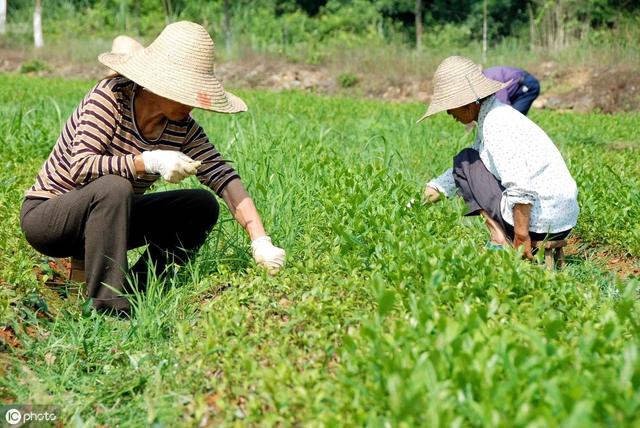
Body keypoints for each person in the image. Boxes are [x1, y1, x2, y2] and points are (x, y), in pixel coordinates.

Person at [20, 21, 286, 317]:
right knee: (115, 186)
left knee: (200, 206)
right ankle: (108, 308)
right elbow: (80, 166)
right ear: (156, 84)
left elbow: (223, 176)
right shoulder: (109, 98)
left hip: (108, 220)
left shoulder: (182, 128)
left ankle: (137, 288)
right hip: (50, 217)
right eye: (183, 91)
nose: (191, 102)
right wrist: (148, 161)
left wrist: (260, 239)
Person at [419, 56, 579, 258]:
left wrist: (521, 236)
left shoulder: (497, 124)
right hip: (561, 221)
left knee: (464, 159)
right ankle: (502, 235)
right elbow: (463, 174)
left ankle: (499, 238)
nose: (450, 113)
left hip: (541, 223)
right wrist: (422, 199)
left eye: (451, 108)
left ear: (468, 103)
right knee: (468, 161)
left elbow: (520, 186)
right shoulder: (497, 114)